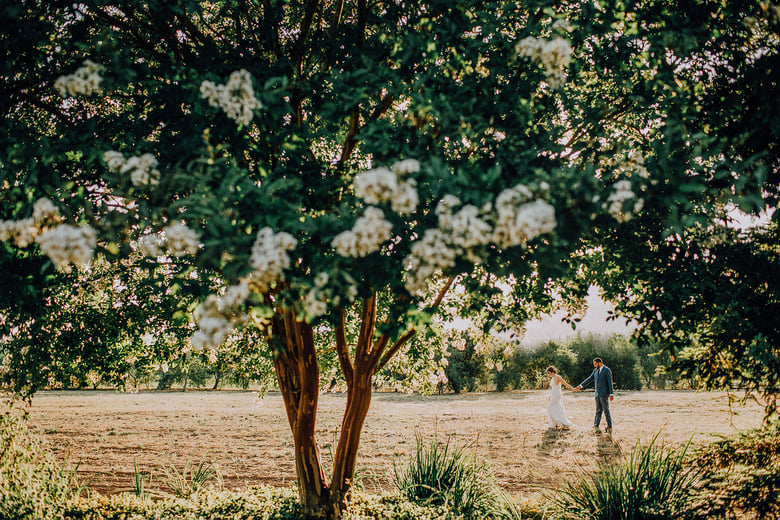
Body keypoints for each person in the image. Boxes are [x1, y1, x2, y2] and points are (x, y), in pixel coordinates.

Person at [575, 357, 614, 433]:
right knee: (598, 410)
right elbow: (589, 379)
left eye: (595, 364)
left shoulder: (607, 370)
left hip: (604, 394)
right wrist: (581, 386)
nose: (594, 365)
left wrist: (611, 394)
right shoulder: (595, 371)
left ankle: (609, 426)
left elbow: (610, 382)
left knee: (606, 410)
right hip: (597, 394)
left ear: (599, 363)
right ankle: (596, 425)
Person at [546, 366, 575, 430]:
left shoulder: (557, 377)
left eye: (549, 373)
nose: (548, 374)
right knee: (555, 408)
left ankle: (559, 421)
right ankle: (555, 423)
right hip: (553, 394)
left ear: (552, 372)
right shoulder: (552, 378)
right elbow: (553, 388)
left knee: (549, 407)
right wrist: (550, 396)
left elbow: (565, 383)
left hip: (557, 395)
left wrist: (572, 388)